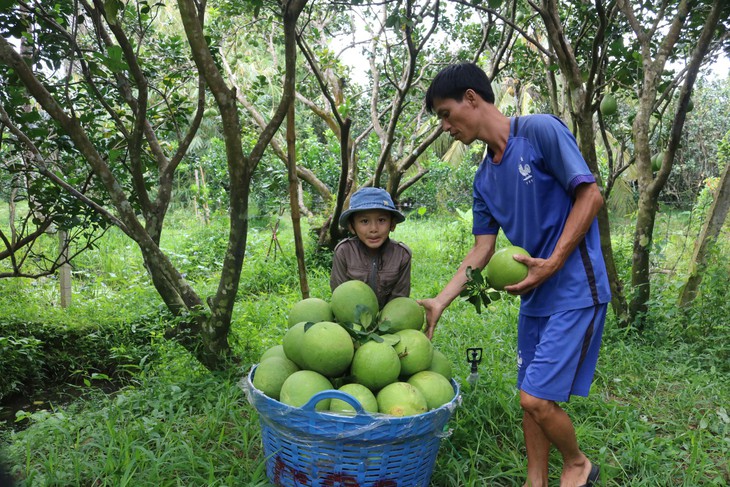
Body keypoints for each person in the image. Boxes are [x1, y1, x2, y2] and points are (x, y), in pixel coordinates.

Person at [419, 62, 610, 487]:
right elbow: (482, 249)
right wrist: (439, 301)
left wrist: (555, 261)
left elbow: (590, 195)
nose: (445, 127)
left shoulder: (539, 131)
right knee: (529, 401)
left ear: (472, 97)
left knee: (535, 398)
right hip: (533, 296)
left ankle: (578, 464)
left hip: (576, 287)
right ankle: (535, 480)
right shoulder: (484, 178)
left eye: (446, 114)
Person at [330, 186, 412, 309]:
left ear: (392, 224)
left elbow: (399, 300)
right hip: (351, 317)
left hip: (388, 321)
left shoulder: (402, 255)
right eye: (364, 221)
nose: (373, 229)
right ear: (352, 227)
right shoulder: (344, 251)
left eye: (381, 220)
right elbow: (340, 294)